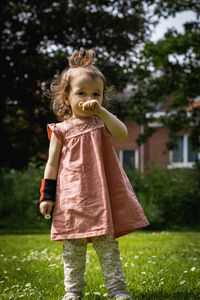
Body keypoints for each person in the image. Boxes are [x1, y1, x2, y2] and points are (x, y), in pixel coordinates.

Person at [39, 49, 149, 300]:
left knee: (107, 246)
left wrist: (102, 111)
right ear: (66, 98)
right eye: (81, 93)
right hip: (71, 201)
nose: (89, 99)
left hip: (101, 200)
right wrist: (47, 196)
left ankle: (117, 290)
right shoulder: (60, 130)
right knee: (72, 249)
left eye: (95, 94)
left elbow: (122, 133)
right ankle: (73, 292)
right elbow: (52, 166)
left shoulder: (101, 123)